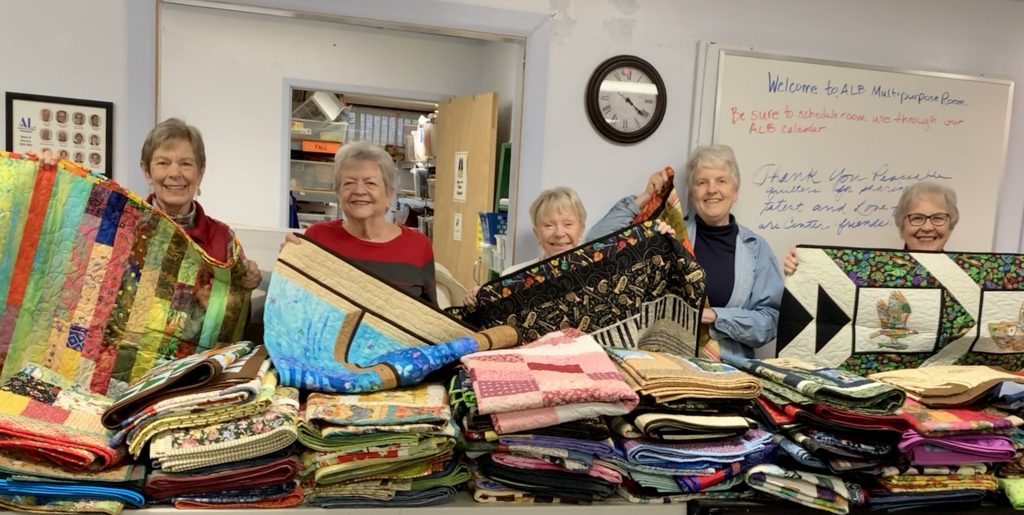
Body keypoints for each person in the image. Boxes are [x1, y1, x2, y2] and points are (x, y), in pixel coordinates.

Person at [590, 145, 783, 361]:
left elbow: (770, 321)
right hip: (667, 366)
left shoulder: (756, 248)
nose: (712, 189)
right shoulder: (669, 235)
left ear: (735, 192)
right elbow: (596, 246)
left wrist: (715, 317)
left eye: (721, 181)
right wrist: (645, 197)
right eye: (702, 182)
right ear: (692, 193)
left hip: (730, 374)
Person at [40, 118, 261, 290]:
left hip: (201, 351)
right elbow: (62, 237)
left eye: (186, 164)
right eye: (163, 163)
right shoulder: (119, 227)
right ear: (147, 171)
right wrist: (47, 179)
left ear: (200, 173)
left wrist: (250, 277)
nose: (175, 174)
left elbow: (233, 313)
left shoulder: (223, 239)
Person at [283, 141, 437, 305]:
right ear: (338, 193)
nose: (359, 191)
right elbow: (294, 304)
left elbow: (430, 316)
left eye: (370, 183)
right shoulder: (318, 237)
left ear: (389, 194)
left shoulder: (418, 245)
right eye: (349, 183)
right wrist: (289, 264)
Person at [783, 181, 959, 275]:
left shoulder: (971, 275)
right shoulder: (872, 270)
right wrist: (802, 269)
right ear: (901, 225)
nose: (928, 227)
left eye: (938, 218)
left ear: (950, 225)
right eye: (917, 218)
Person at [461, 186, 587, 307]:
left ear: (581, 230)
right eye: (549, 225)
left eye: (568, 224)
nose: (559, 233)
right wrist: (478, 298)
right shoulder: (512, 276)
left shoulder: (601, 272)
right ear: (537, 233)